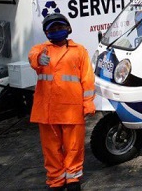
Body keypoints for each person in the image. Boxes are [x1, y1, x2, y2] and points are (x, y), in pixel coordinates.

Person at [28, 13, 95, 190]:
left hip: (71, 108)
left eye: (59, 27)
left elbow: (87, 78)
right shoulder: (41, 49)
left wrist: (88, 102)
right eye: (52, 29)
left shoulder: (79, 50)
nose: (57, 31)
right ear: (46, 32)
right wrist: (37, 60)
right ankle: (56, 180)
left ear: (68, 29)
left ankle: (73, 179)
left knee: (74, 146)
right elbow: (32, 57)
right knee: (51, 149)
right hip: (47, 110)